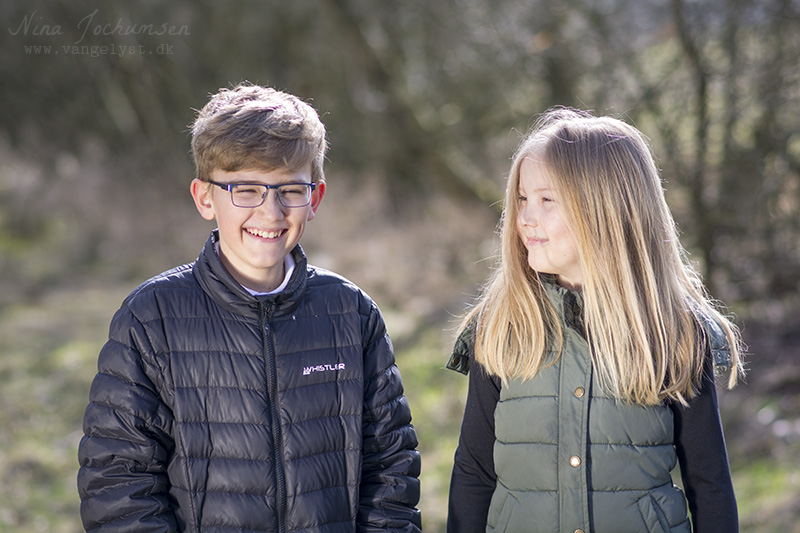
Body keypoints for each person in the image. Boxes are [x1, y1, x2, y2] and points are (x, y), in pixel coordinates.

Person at [77, 83, 422, 532]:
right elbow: (118, 483)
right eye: (245, 189)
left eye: (289, 191)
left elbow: (390, 470)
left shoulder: (351, 315)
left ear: (314, 199)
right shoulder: (151, 319)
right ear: (205, 197)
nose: (270, 211)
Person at [446, 108, 744, 533]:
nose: (525, 217)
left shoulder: (671, 331)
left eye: (547, 200)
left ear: (607, 209)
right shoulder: (503, 325)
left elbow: (709, 483)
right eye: (522, 199)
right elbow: (473, 474)